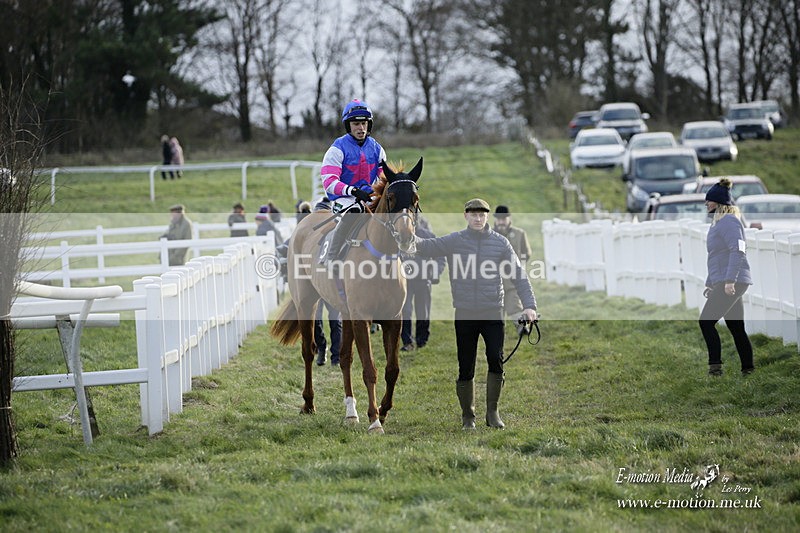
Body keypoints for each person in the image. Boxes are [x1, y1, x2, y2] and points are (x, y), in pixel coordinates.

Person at [414, 198, 538, 430]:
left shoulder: (501, 243)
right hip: (464, 313)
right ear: (466, 216)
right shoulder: (454, 240)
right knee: (466, 365)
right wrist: (407, 235)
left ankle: (493, 413)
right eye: (474, 214)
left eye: (482, 215)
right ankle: (467, 417)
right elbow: (427, 247)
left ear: (487, 217)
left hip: (492, 312)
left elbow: (519, 276)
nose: (478, 218)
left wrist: (530, 306)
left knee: (495, 359)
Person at [320, 98, 387, 264]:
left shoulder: (377, 149)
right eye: (356, 124)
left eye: (364, 123)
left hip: (369, 196)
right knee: (354, 212)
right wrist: (353, 191)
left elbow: (384, 178)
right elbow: (329, 182)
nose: (361, 128)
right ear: (348, 125)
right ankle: (332, 257)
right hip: (344, 199)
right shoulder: (337, 149)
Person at [700, 178, 754, 376]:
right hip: (723, 280)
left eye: (709, 200)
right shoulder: (717, 224)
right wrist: (711, 283)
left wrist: (730, 281)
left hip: (732, 281)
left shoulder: (730, 221)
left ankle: (715, 369)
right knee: (736, 326)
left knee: (706, 322)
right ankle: (748, 369)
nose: (706, 203)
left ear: (719, 203)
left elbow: (738, 250)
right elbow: (716, 256)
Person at [400, 216, 445, 352]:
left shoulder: (428, 236)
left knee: (423, 310)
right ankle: (407, 342)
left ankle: (422, 340)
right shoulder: (399, 236)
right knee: (405, 311)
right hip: (404, 281)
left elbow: (440, 256)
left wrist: (434, 273)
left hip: (423, 279)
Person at [492, 205, 533, 318]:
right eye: (499, 219)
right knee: (496, 319)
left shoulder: (519, 234)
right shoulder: (488, 235)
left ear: (509, 219)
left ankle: (524, 331)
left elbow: (526, 253)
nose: (501, 222)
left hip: (512, 283)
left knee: (517, 313)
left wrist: (517, 267)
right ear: (495, 219)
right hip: (493, 285)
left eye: (504, 219)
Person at [315, 298, 342, 367]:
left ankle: (336, 359)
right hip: (317, 289)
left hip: (331, 290)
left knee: (336, 321)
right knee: (315, 321)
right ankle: (321, 347)